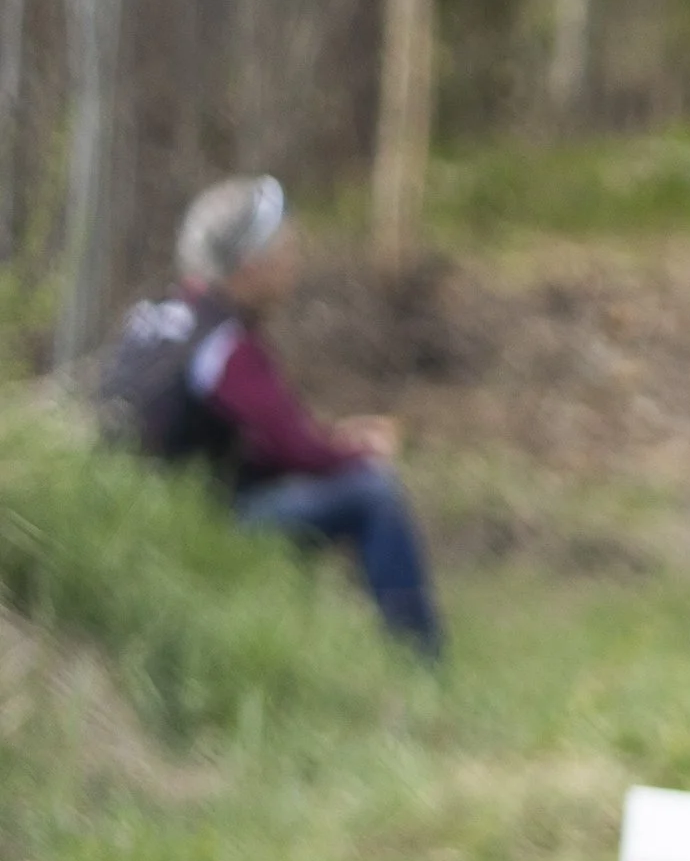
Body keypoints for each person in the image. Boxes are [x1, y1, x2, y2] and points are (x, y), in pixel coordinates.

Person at [96, 174, 445, 658]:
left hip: (132, 512)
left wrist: (328, 445)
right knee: (373, 491)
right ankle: (420, 663)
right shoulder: (224, 344)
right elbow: (296, 448)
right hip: (193, 524)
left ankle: (307, 648)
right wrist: (357, 449)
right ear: (249, 263)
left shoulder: (154, 315)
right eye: (287, 249)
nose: (295, 263)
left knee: (306, 486)